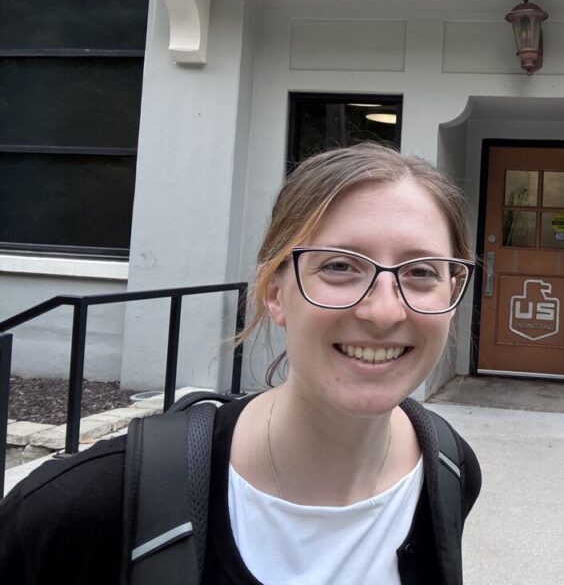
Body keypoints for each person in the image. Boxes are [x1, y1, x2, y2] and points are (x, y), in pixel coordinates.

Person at [0, 142, 481, 584]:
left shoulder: (447, 469)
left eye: (421, 273)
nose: (383, 311)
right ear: (275, 292)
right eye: (339, 265)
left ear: (453, 296)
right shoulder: (84, 507)